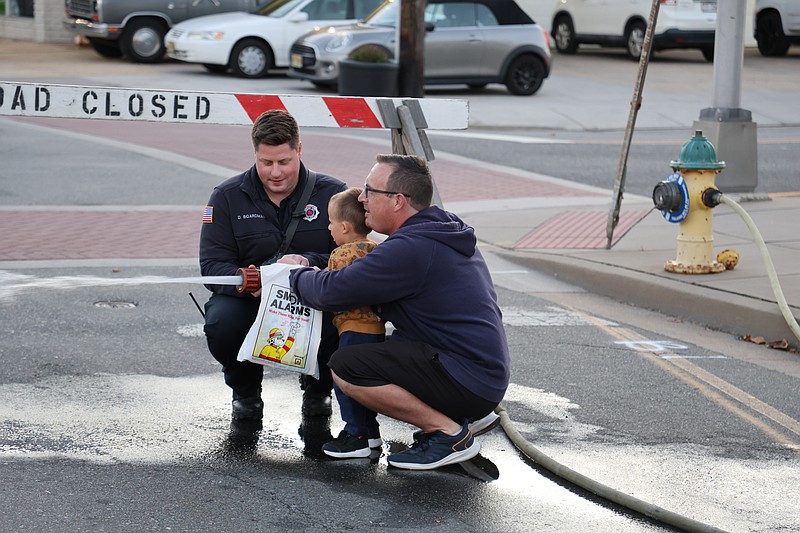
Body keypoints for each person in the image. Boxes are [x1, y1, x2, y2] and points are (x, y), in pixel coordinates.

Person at [289, 154, 509, 470]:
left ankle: (448, 434)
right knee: (385, 346)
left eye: (369, 191)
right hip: (478, 372)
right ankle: (453, 419)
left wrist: (293, 275)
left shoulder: (411, 248)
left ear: (397, 201)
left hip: (468, 379)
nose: (361, 198)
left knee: (347, 366)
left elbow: (332, 292)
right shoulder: (437, 230)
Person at [199, 109, 346, 422]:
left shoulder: (334, 194)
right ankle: (246, 392)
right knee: (221, 323)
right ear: (255, 154)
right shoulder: (225, 197)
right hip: (252, 295)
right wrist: (251, 280)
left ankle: (319, 389)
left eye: (284, 162)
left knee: (348, 323)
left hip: (316, 298)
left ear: (299, 150)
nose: (275, 172)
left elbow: (352, 254)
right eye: (266, 162)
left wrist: (309, 263)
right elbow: (212, 266)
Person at [320, 187, 386, 459]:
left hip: (352, 330)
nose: (328, 227)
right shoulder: (376, 249)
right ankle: (370, 431)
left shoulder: (341, 255)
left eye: (331, 223)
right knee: (368, 382)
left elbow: (328, 288)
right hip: (376, 329)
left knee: (346, 382)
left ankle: (355, 434)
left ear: (344, 227)